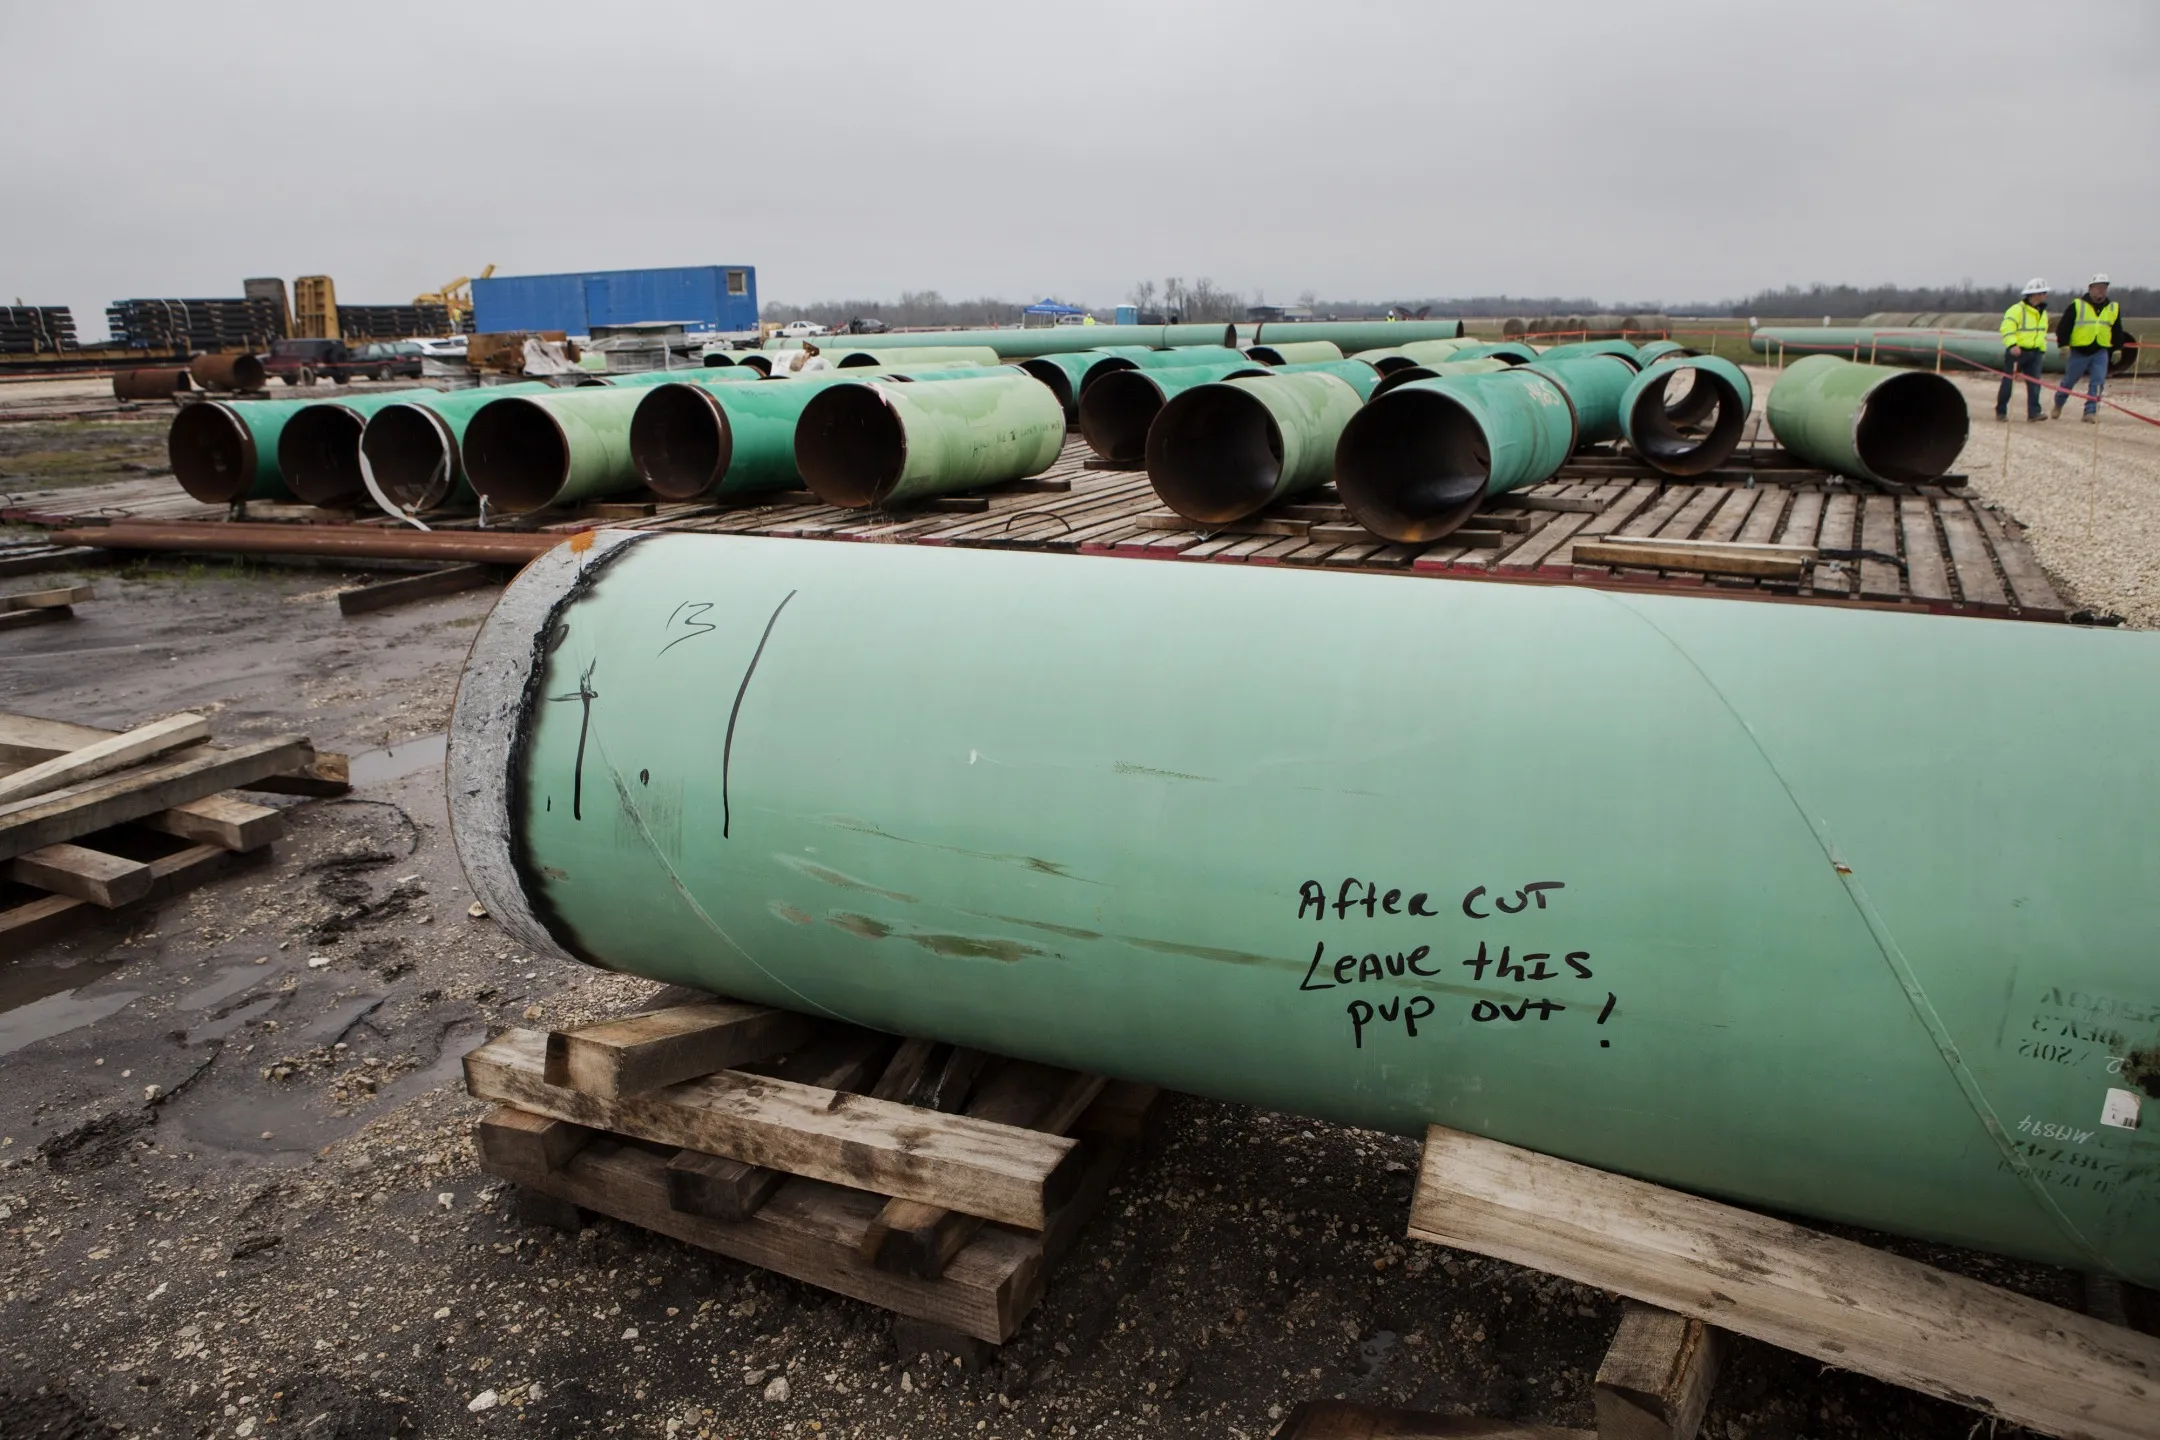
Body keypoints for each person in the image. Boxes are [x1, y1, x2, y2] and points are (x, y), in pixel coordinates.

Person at [2053, 274, 2137, 422]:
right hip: (2080, 351)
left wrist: (2118, 348)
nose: (2101, 291)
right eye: (2098, 288)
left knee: (2098, 382)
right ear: (2090, 289)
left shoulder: (2113, 308)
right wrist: (2063, 345)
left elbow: (2116, 329)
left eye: (2104, 288)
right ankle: (2059, 402)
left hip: (2100, 351)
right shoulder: (2077, 306)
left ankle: (2090, 412)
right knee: (2069, 381)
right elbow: (2064, 326)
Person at [1997, 279, 2051, 421]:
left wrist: (2042, 350)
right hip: (2017, 352)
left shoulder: (2042, 313)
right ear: (2033, 295)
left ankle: (2034, 413)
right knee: (2008, 382)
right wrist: (2012, 345)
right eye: (2043, 292)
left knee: (2035, 384)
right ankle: (2001, 411)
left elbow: (2041, 333)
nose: (2045, 295)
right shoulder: (2016, 310)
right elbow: (2007, 328)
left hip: (2035, 353)